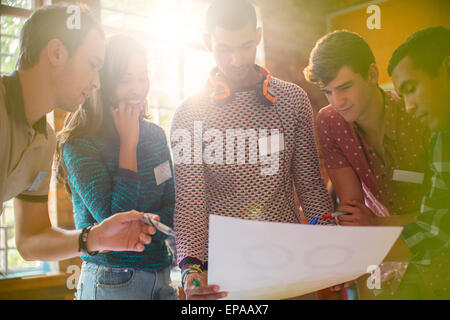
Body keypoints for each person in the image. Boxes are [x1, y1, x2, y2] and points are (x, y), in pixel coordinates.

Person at [171, 0, 334, 300]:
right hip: (223, 273)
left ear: (258, 36)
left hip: (288, 264)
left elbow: (310, 185)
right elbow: (190, 201)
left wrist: (327, 239)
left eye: (245, 46)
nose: (236, 60)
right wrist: (190, 267)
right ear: (208, 42)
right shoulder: (188, 113)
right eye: (224, 48)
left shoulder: (293, 100)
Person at [0, 5, 155, 264]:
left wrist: (96, 237)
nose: (97, 82)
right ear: (57, 52)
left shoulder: (46, 140)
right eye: (93, 65)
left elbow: (29, 240)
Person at [303, 30, 431, 299]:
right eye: (328, 92)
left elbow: (441, 217)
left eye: (345, 87)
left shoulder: (417, 114)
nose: (338, 102)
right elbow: (354, 214)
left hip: (433, 252)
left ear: (372, 75)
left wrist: (376, 224)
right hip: (374, 258)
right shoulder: (330, 122)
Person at [55, 35, 177, 300]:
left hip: (162, 276)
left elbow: (173, 207)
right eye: (125, 79)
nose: (137, 88)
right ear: (105, 83)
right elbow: (115, 224)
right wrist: (128, 143)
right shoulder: (79, 144)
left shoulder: (156, 136)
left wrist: (145, 225)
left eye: (142, 76)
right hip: (112, 280)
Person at [386, 26, 450, 299]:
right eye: (402, 96)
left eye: (411, 89)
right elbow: (433, 228)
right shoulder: (441, 139)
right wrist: (353, 256)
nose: (409, 107)